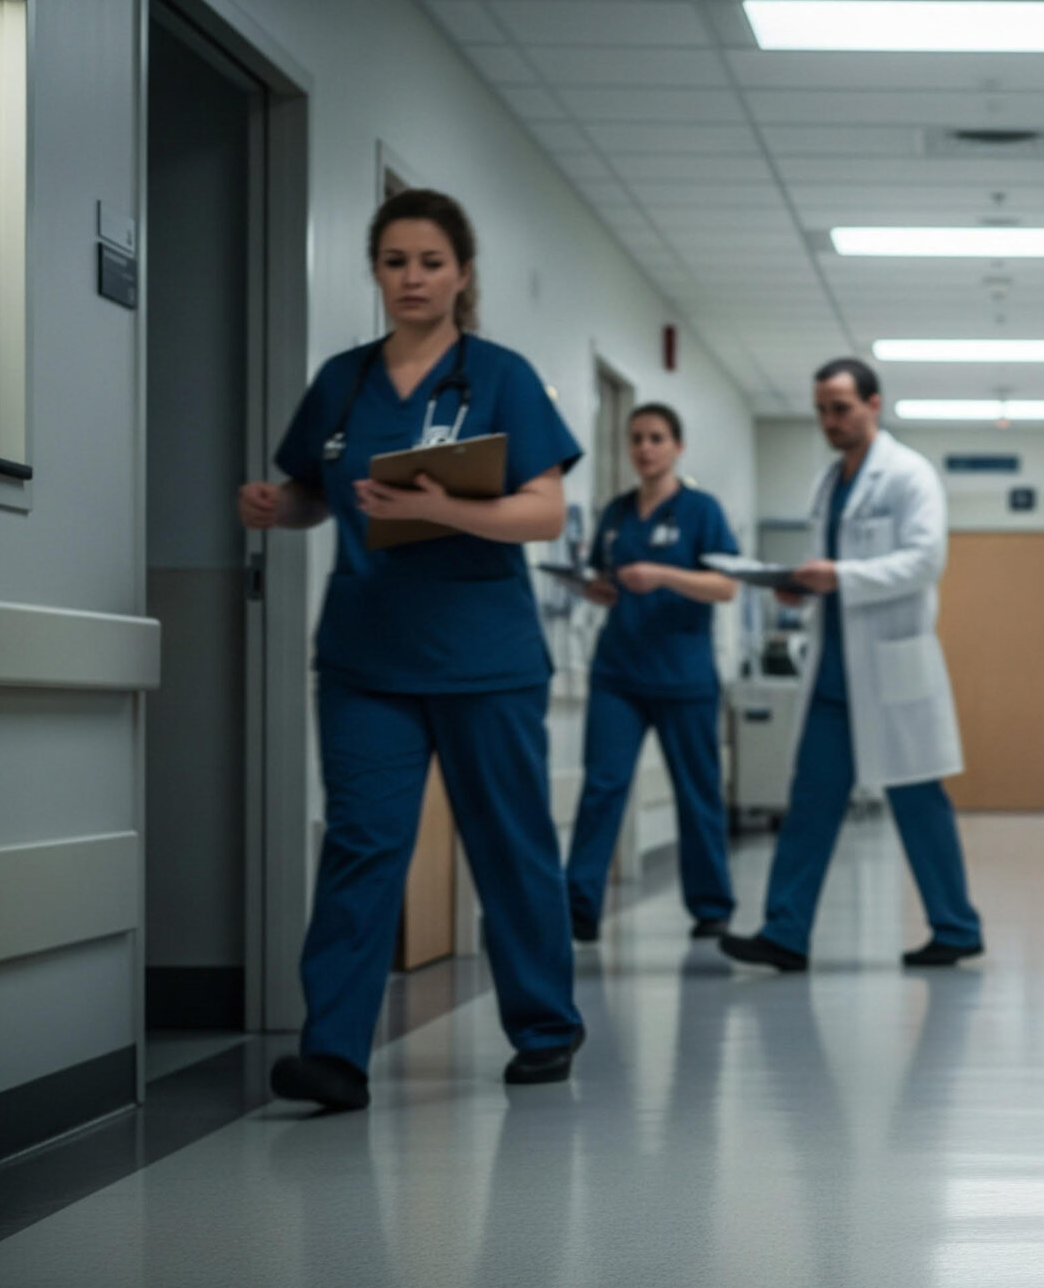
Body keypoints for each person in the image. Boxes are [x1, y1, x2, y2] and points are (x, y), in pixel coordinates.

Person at [237, 188, 586, 1112]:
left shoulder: (501, 376)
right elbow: (318, 490)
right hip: (367, 657)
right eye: (395, 262)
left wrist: (441, 508)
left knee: (508, 845)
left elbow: (545, 511)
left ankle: (545, 1027)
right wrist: (283, 507)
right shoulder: (343, 382)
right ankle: (336, 1054)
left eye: (431, 262)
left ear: (462, 274)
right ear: (377, 272)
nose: (412, 279)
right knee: (360, 845)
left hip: (485, 656)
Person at [718, 358, 985, 972]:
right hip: (834, 672)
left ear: (873, 404)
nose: (828, 421)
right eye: (820, 409)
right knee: (810, 799)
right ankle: (786, 932)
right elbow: (826, 567)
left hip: (892, 667)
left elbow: (924, 561)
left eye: (840, 407)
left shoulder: (909, 475)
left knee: (918, 799)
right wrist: (800, 585)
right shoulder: (827, 483)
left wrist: (837, 576)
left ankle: (956, 925)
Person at [564, 403, 742, 944]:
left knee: (697, 791)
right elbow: (604, 576)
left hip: (683, 676)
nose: (645, 447)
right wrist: (595, 587)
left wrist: (663, 575)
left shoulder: (701, 510)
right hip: (618, 672)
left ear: (677, 446)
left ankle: (711, 905)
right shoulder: (616, 515)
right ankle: (579, 905)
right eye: (636, 438)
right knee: (602, 787)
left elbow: (727, 585)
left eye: (657, 438)